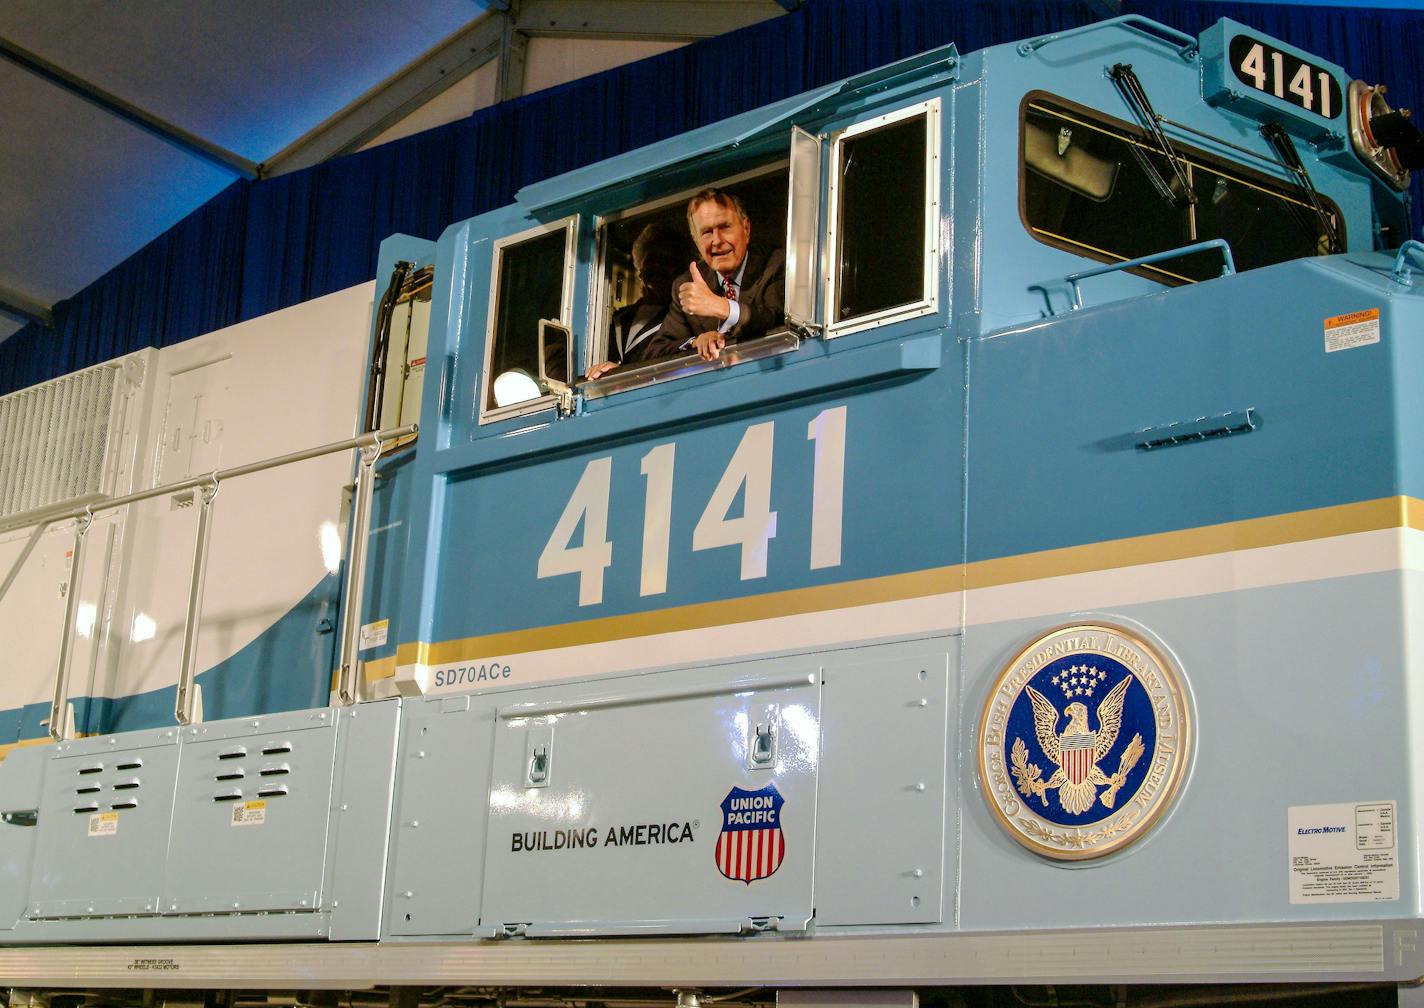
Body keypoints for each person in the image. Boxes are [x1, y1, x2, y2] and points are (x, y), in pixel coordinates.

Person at [645, 188, 785, 362]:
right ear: (696, 242)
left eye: (725, 227)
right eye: (707, 232)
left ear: (746, 229)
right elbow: (655, 353)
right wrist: (697, 342)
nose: (717, 241)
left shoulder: (777, 263)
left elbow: (778, 322)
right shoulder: (688, 284)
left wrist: (722, 307)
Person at [586, 222, 687, 380]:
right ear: (640, 266)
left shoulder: (681, 321)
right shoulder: (615, 319)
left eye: (667, 260)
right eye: (652, 257)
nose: (658, 266)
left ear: (680, 269)